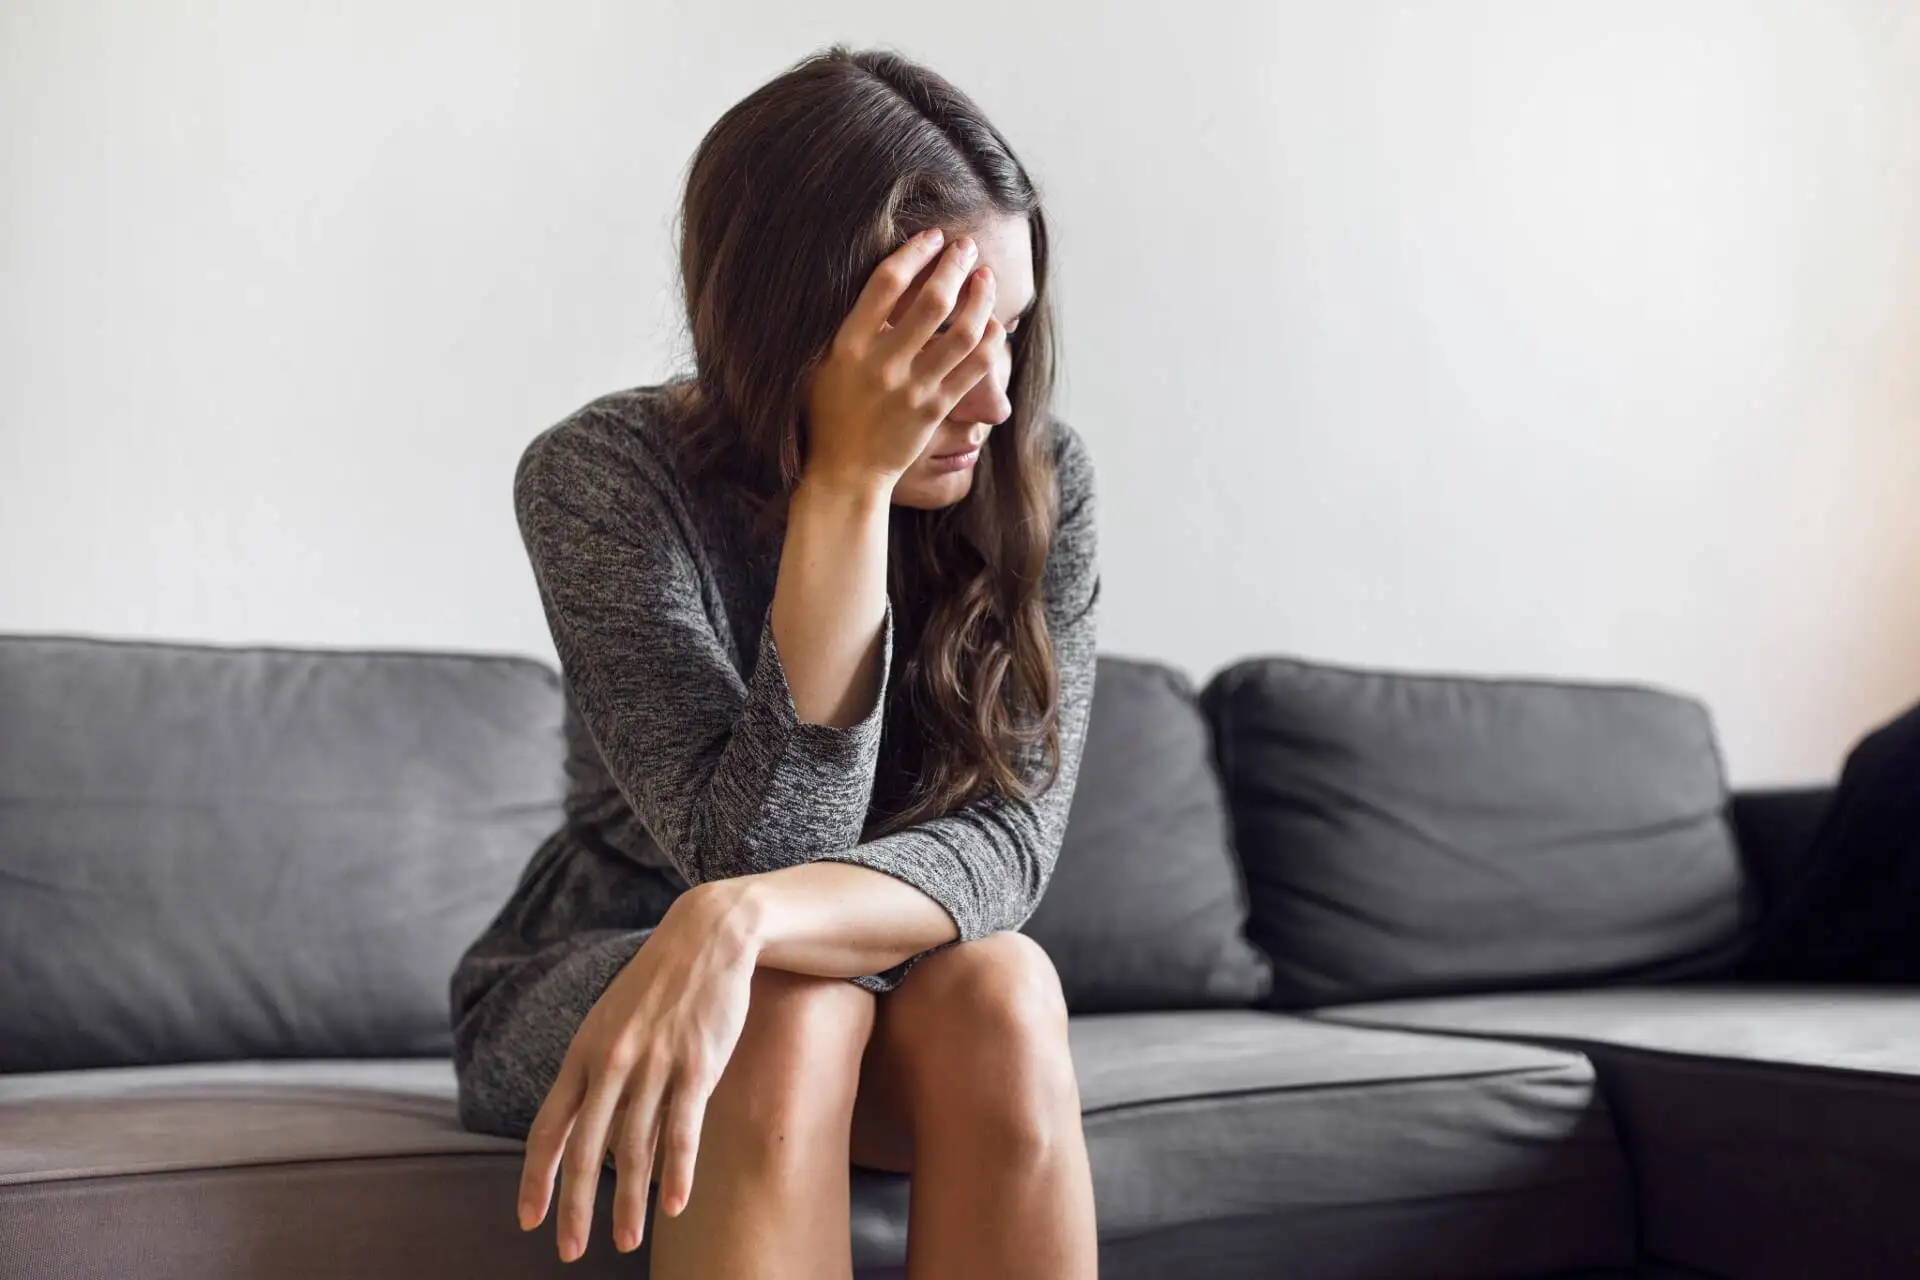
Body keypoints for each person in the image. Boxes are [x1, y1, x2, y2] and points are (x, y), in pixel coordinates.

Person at [447, 44, 1102, 1279]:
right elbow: (754, 848)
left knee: (1007, 987)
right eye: (943, 333)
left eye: (1008, 327)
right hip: (609, 971)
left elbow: (1005, 855)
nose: (995, 396)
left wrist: (740, 919)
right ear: (794, 320)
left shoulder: (1042, 485)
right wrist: (847, 486)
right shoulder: (602, 479)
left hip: (832, 964)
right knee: (786, 1006)